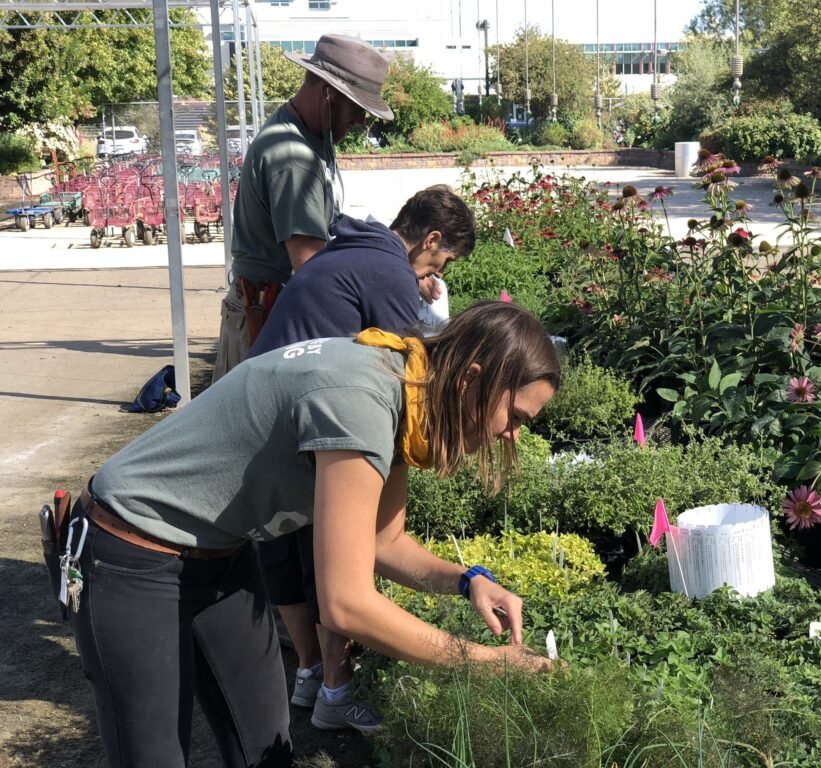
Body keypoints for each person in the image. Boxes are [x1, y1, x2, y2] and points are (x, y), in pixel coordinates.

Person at [67, 301, 559, 767]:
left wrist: (469, 579)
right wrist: (479, 660)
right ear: (471, 379)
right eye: (514, 418)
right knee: (153, 755)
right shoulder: (362, 399)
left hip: (221, 554)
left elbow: (384, 543)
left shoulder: (407, 391)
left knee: (266, 747)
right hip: (130, 549)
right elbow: (346, 604)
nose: (512, 435)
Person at [249, 184, 475, 732]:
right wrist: (430, 312)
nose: (439, 270)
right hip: (307, 431)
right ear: (432, 238)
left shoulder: (351, 247)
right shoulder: (388, 271)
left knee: (291, 560)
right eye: (444, 259)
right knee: (334, 566)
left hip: (264, 416)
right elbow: (408, 372)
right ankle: (335, 689)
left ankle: (308, 675)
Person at [212, 33, 394, 381]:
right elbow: (312, 267)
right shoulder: (294, 159)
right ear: (328, 95)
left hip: (269, 314)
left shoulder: (306, 132)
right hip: (264, 322)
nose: (358, 122)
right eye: (356, 109)